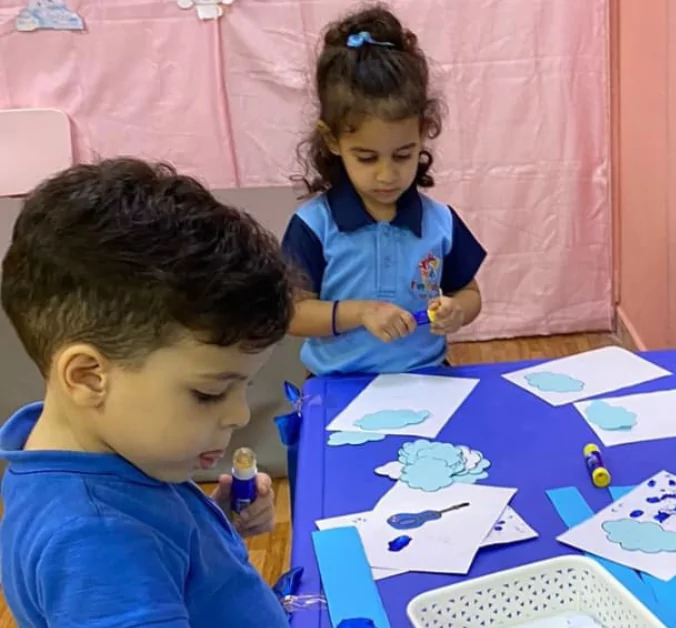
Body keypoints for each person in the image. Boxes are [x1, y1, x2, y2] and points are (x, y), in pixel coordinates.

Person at [0, 159, 292, 626]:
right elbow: (121, 563)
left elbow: (155, 550)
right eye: (208, 393)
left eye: (244, 386)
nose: (239, 415)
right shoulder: (97, 542)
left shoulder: (95, 453)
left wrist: (215, 527)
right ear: (88, 377)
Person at [282, 4, 486, 376]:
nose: (386, 175)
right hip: (336, 384)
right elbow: (292, 313)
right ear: (332, 140)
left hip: (427, 375)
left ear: (423, 134)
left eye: (403, 155)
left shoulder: (439, 222)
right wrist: (361, 313)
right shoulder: (314, 225)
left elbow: (469, 294)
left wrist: (458, 312)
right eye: (366, 157)